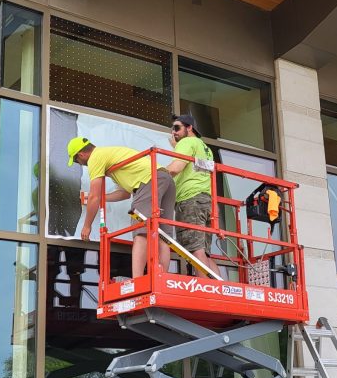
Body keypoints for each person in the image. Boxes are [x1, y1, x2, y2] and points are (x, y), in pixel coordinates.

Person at [67, 136, 173, 277]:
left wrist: (87, 225)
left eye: (76, 161)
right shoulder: (112, 158)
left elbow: (94, 195)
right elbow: (124, 194)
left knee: (141, 232)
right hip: (165, 179)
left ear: (81, 154)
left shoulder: (95, 158)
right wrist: (99, 200)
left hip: (149, 181)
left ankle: (137, 280)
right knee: (163, 236)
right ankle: (163, 278)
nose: (79, 164)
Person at [165, 114, 222, 278]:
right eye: (172, 129)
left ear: (189, 127)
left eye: (177, 128)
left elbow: (175, 168)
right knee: (203, 252)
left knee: (194, 250)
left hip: (190, 200)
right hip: (205, 200)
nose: (173, 132)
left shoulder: (187, 142)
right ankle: (218, 290)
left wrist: (153, 176)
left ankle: (206, 291)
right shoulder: (205, 148)